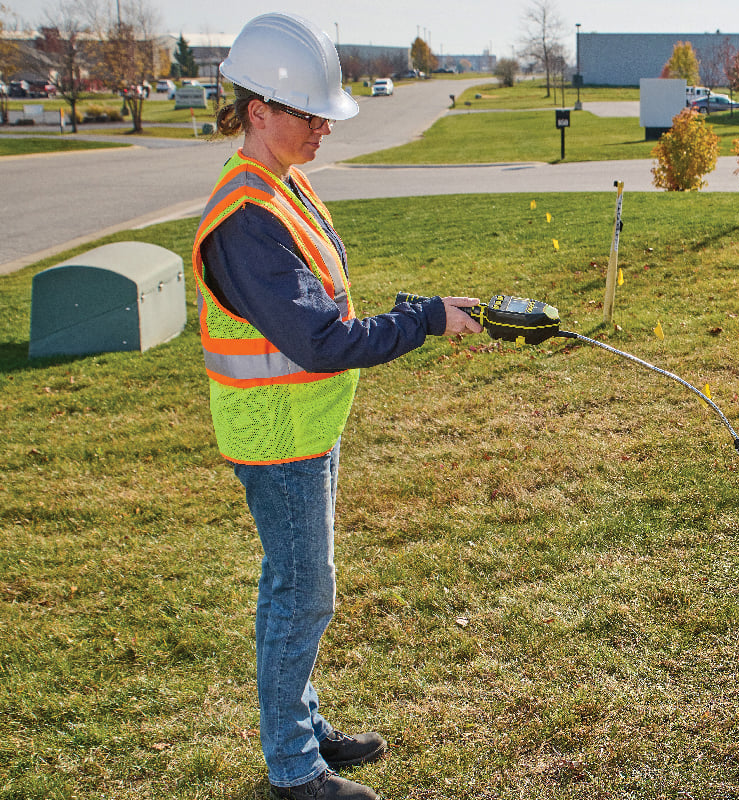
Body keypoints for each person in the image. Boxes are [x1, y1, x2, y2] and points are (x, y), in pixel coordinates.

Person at [191, 12, 482, 800]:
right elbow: (322, 339)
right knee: (301, 591)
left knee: (298, 586)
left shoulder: (279, 186)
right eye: (309, 113)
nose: (324, 127)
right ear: (260, 112)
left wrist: (419, 307)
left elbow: (321, 311)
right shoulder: (246, 220)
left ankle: (303, 724)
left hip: (306, 425)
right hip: (277, 436)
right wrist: (423, 320)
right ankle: (293, 767)